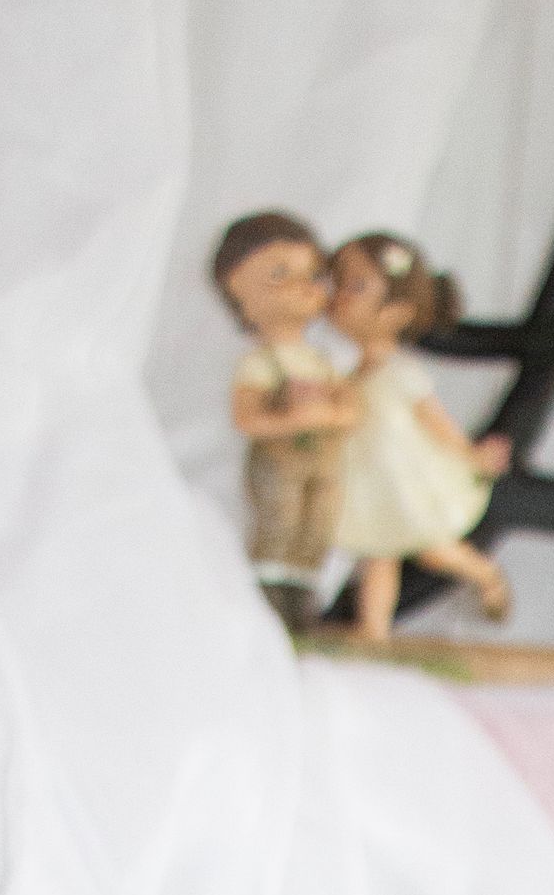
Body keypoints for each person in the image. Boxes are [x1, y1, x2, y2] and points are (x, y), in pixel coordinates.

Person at [326, 232, 513, 639]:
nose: (337, 296)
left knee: (433, 550)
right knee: (379, 552)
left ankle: (486, 575)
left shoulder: (399, 372)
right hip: (371, 482)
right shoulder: (351, 375)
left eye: (355, 286)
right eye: (336, 282)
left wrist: (470, 456)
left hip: (408, 479)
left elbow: (436, 423)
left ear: (396, 313)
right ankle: (374, 632)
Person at [210, 212, 359, 630]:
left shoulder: (321, 361)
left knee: (318, 524)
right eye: (281, 274)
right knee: (280, 520)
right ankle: (270, 596)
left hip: (323, 464)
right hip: (279, 464)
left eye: (312, 275)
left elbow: (351, 408)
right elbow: (247, 418)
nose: (303, 286)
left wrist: (330, 414)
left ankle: (302, 596)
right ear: (238, 289)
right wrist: (292, 418)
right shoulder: (259, 363)